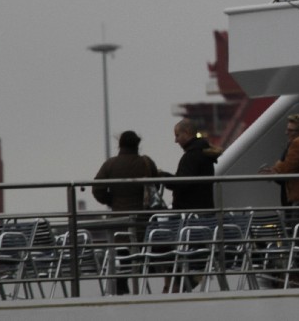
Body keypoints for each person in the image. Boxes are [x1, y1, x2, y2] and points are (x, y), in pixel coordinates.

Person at [93, 130, 158, 295]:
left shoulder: (110, 164)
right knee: (142, 252)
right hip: (143, 219)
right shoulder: (146, 163)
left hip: (119, 219)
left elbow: (97, 189)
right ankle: (144, 282)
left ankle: (122, 284)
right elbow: (155, 187)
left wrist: (111, 201)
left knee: (122, 253)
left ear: (120, 144)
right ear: (137, 144)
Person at [165, 119, 219, 211]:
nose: (176, 140)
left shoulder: (192, 156)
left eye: (177, 135)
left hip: (191, 212)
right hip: (203, 209)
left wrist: (163, 177)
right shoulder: (203, 153)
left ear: (186, 133)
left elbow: (183, 183)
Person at [274, 114, 299, 207]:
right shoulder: (289, 147)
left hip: (297, 199)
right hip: (288, 199)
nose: (286, 133)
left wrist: (277, 170)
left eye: (290, 130)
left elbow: (288, 172)